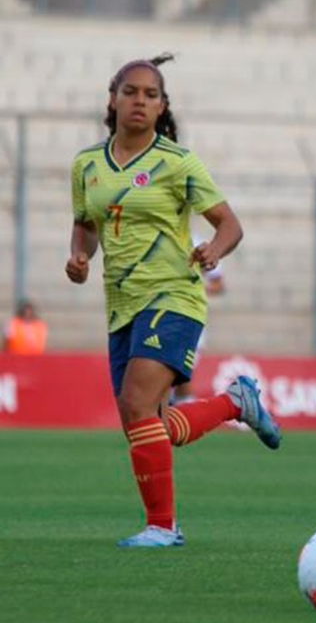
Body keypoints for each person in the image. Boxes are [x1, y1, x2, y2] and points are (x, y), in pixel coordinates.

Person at [65, 54, 282, 548]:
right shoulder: (86, 165)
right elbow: (85, 225)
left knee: (138, 403)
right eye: (131, 92)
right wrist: (79, 256)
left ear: (163, 107)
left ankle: (163, 528)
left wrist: (213, 250)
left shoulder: (177, 162)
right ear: (112, 100)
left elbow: (230, 224)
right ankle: (235, 402)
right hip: (121, 304)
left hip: (174, 295)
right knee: (151, 425)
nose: (140, 100)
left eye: (151, 94)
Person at [170, 233, 226, 406]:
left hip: (190, 319)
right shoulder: (159, 241)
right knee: (168, 377)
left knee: (181, 375)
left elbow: (218, 284)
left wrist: (193, 289)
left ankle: (186, 415)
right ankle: (175, 417)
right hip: (161, 317)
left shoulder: (197, 244)